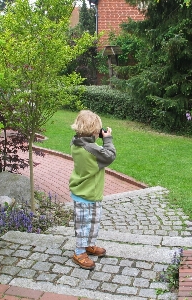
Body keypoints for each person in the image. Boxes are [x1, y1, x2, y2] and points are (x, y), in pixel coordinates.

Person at [69, 110, 116, 270]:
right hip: (86, 194)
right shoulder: (91, 149)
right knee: (84, 225)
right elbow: (110, 155)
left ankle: (89, 245)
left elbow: (86, 140)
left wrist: (94, 136)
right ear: (94, 132)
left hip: (89, 193)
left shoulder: (76, 142)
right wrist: (107, 139)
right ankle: (79, 252)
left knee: (92, 223)